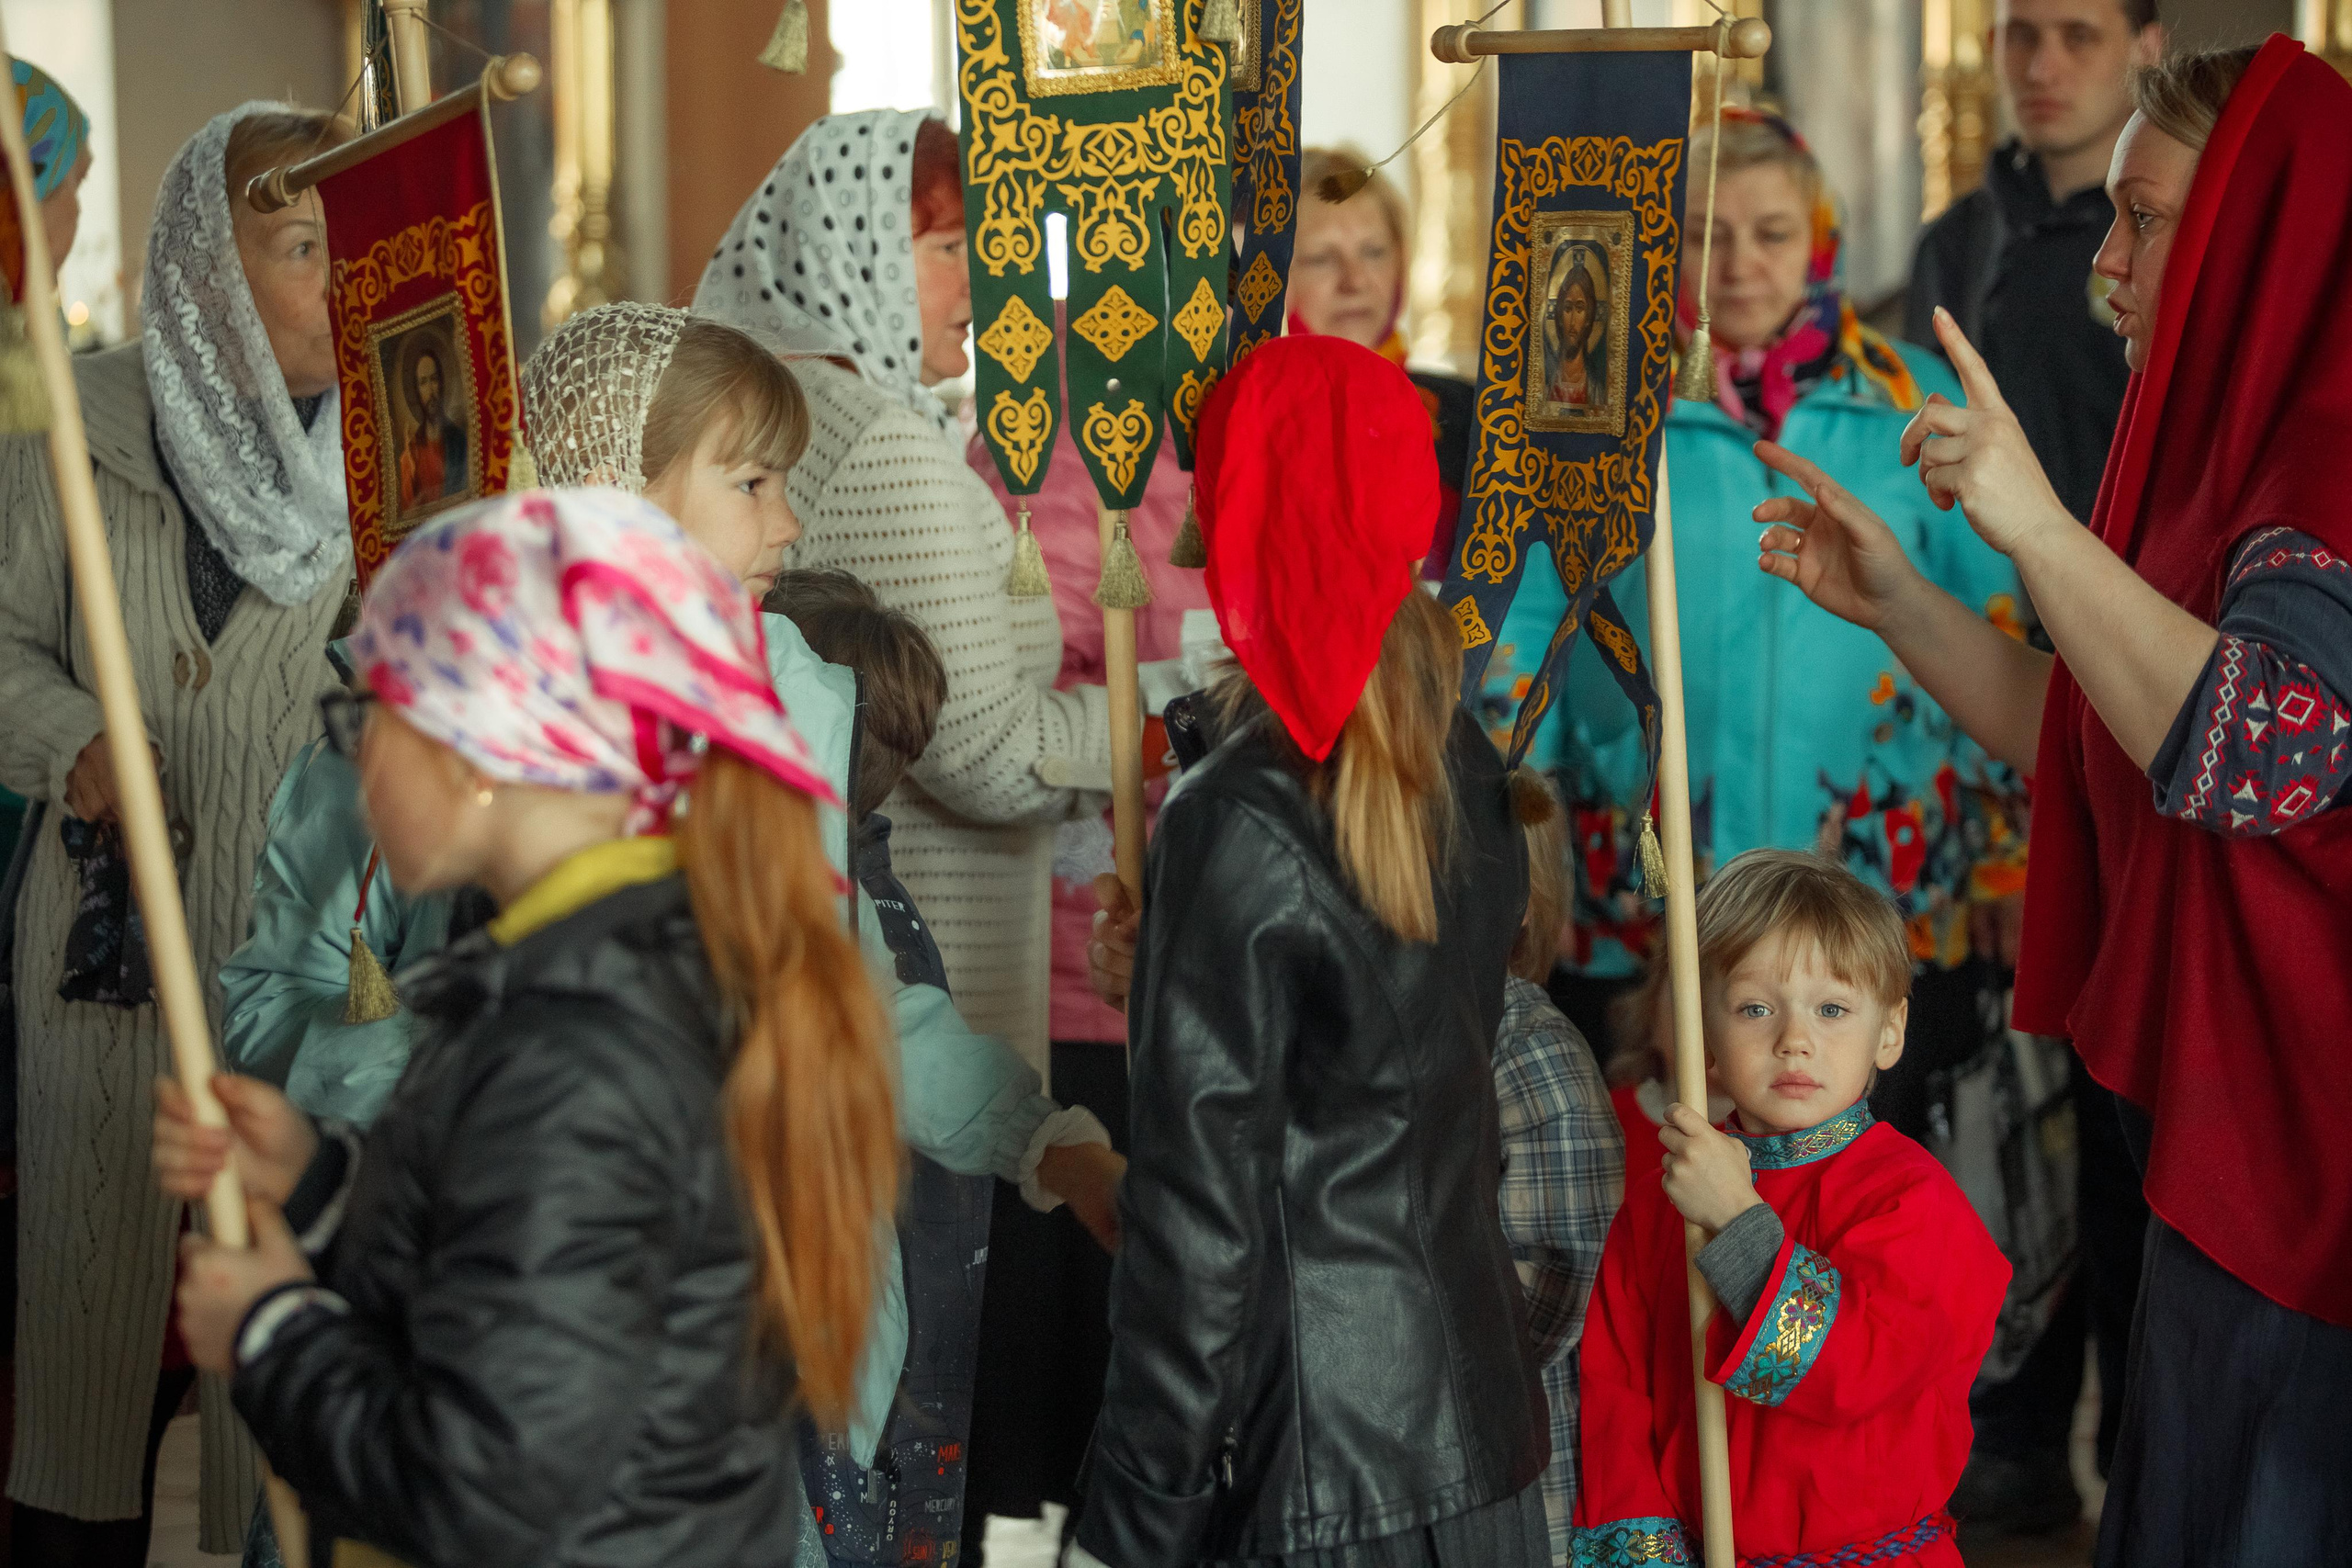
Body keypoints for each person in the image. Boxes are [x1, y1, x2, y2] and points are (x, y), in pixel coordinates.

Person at [1753, 39, 2352, 1562]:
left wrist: (2025, 519)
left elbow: (2257, 752)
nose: (2112, 257)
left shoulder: (2333, 449)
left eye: (2149, 220)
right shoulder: (2225, 443)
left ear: (2260, 232)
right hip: (2233, 1132)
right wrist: (1902, 608)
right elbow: (2102, 734)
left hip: (2313, 1162)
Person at [152, 488, 900, 1565]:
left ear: (482, 750)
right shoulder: (603, 964)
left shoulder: (579, 1044)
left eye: (373, 720)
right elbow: (533, 1260)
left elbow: (484, 1491)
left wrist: (274, 1334)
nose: (357, 765)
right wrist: (326, 1182)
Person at [1074, 333, 1551, 1568]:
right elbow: (1372, 1062)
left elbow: (1200, 1225)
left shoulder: (1235, 815)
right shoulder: (1461, 754)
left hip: (1313, 1469)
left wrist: (1133, 1516)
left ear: (1233, 514)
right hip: (1478, 1436)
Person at [0, 102, 349, 1561]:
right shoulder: (68, 422)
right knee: (87, 1386)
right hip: (106, 977)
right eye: (300, 248)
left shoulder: (403, 458)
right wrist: (66, 732)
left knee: (267, 1435)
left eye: (352, 248)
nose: (340, 282)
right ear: (208, 270)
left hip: (292, 985)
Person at [697, 109, 1193, 1067]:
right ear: (856, 250)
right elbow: (995, 759)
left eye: (991, 247)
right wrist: (1194, 707)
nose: (983, 283)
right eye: (947, 248)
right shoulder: (881, 446)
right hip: (930, 979)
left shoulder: (793, 409)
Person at [1904, 0, 2166, 1522]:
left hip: (2145, 694)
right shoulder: (1958, 243)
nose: (2042, 63)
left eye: (2075, 31)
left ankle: (2142, 1440)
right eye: (2018, 33)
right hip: (1992, 702)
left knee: (2132, 1114)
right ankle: (2013, 1429)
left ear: (2144, 40)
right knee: (2006, 1109)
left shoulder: (2172, 255)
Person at [1575, 850, 2010, 1565]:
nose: (1795, 1040)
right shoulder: (1664, 1196)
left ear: (1891, 1031)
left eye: (1833, 1009)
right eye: (1754, 1008)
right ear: (1704, 1032)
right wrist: (1644, 1551)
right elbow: (1615, 1393)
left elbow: (1853, 1370)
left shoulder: (1915, 1201)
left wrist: (1739, 1221)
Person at [960, 335, 1206, 1557]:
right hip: (1070, 969)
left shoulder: (1225, 425)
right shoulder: (1030, 444)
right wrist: (1184, 701)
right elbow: (1001, 702)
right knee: (1054, 1363)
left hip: (1200, 973)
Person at [1290, 146, 1475, 579]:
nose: (1354, 282)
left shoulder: (1471, 414)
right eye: (1321, 258)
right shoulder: (1246, 419)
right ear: (1277, 273)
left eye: (1373, 252)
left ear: (1400, 265)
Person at [394, 343, 468, 513]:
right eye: (423, 382)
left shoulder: (460, 441)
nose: (431, 390)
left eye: (434, 379)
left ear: (442, 383)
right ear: (416, 390)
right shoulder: (410, 454)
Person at [1543, 257, 1604, 408]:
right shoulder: (1544, 385)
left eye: (1580, 309)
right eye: (1567, 308)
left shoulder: (1597, 391)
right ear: (1559, 315)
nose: (1572, 321)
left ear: (1589, 317)